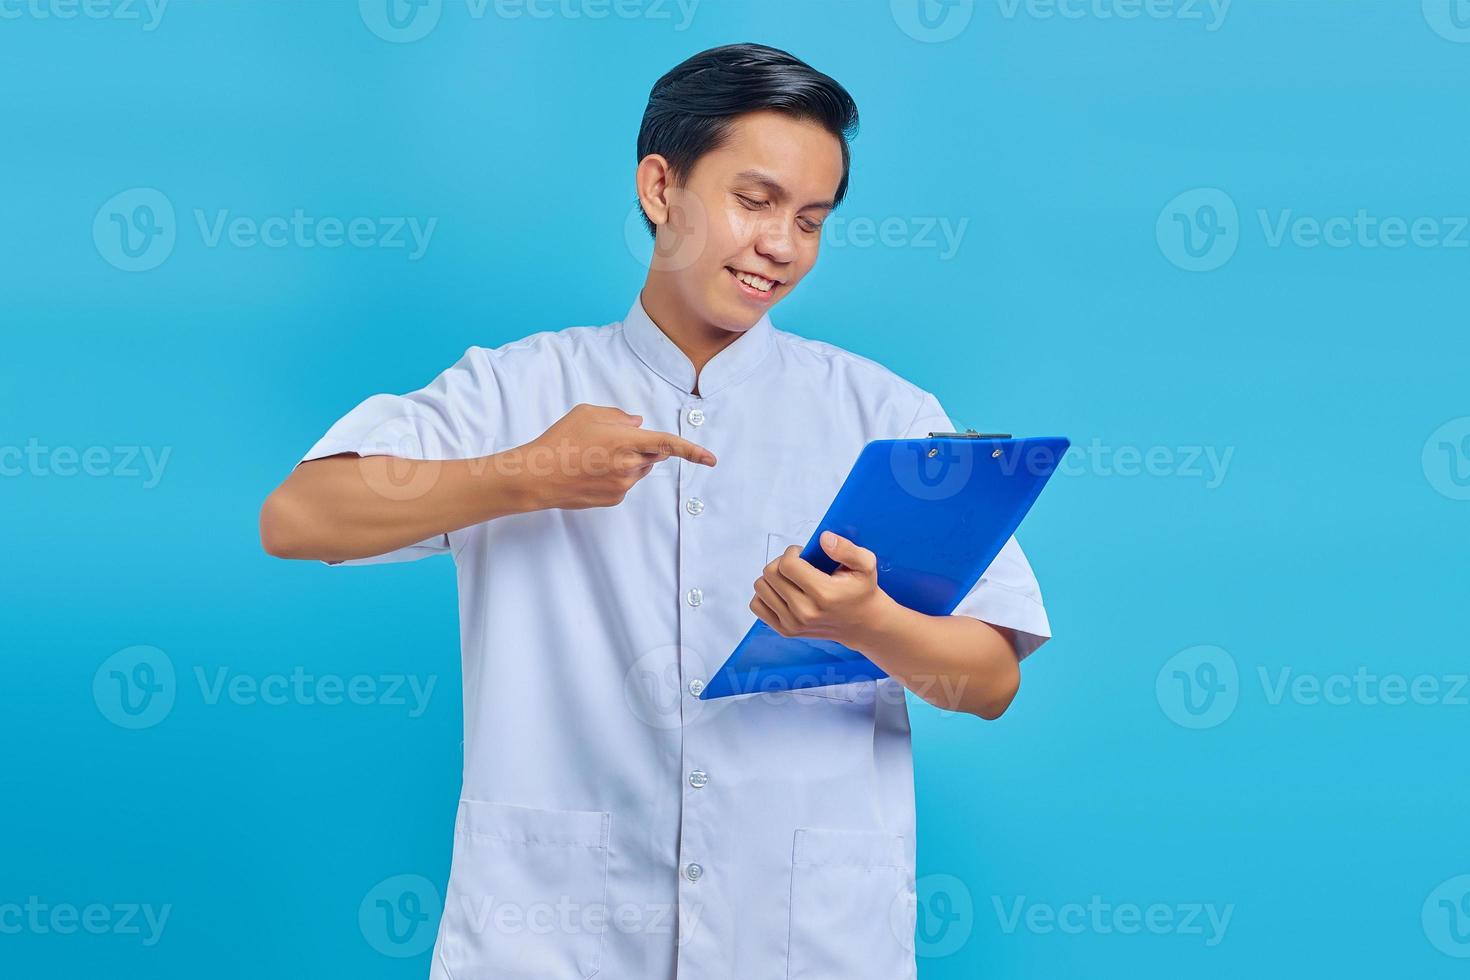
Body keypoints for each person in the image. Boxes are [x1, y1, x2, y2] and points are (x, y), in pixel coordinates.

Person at [260, 41, 1051, 980]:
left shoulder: (884, 417)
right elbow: (298, 517)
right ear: (659, 187)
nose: (781, 247)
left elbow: (990, 682)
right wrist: (528, 473)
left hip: (806, 942)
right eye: (753, 202)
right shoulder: (519, 389)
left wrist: (868, 621)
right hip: (554, 938)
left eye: (810, 218)